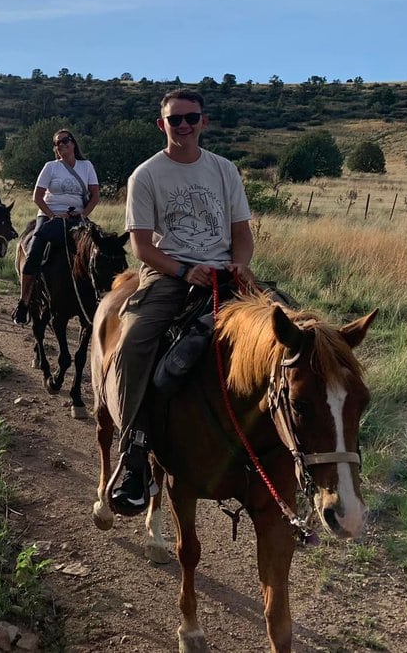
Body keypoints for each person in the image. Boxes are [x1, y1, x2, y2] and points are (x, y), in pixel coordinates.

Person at [105, 89, 254, 516]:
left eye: (192, 118)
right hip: (168, 272)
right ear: (162, 125)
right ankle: (134, 451)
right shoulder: (147, 175)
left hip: (225, 272)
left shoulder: (225, 171)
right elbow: (140, 246)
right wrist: (183, 270)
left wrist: (240, 265)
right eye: (176, 120)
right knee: (135, 341)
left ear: (204, 121)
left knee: (289, 335)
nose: (184, 126)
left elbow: (241, 234)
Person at [12, 129, 100, 325]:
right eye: (57, 143)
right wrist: (53, 216)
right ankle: (24, 302)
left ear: (73, 143)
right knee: (35, 252)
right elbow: (37, 196)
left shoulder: (86, 166)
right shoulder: (50, 167)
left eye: (65, 141)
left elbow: (95, 195)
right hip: (50, 214)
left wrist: (83, 214)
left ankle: (98, 297)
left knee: (100, 249)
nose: (61, 145)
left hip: (77, 216)